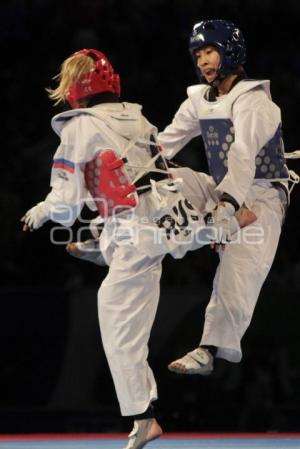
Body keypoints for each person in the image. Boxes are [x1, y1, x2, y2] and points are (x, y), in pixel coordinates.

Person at [20, 48, 254, 449]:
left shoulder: (79, 126)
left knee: (115, 317)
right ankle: (224, 216)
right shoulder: (138, 116)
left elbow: (66, 204)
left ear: (75, 89)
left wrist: (41, 210)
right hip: (173, 205)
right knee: (147, 192)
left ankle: (144, 418)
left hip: (138, 233)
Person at [157, 19, 293, 375]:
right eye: (198, 53)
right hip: (223, 192)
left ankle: (207, 349)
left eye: (210, 51)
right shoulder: (197, 100)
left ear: (229, 51)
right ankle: (121, 233)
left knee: (236, 274)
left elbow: (243, 154)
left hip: (261, 197)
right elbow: (164, 146)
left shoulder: (254, 100)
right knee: (169, 177)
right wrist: (127, 167)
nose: (203, 60)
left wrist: (228, 208)